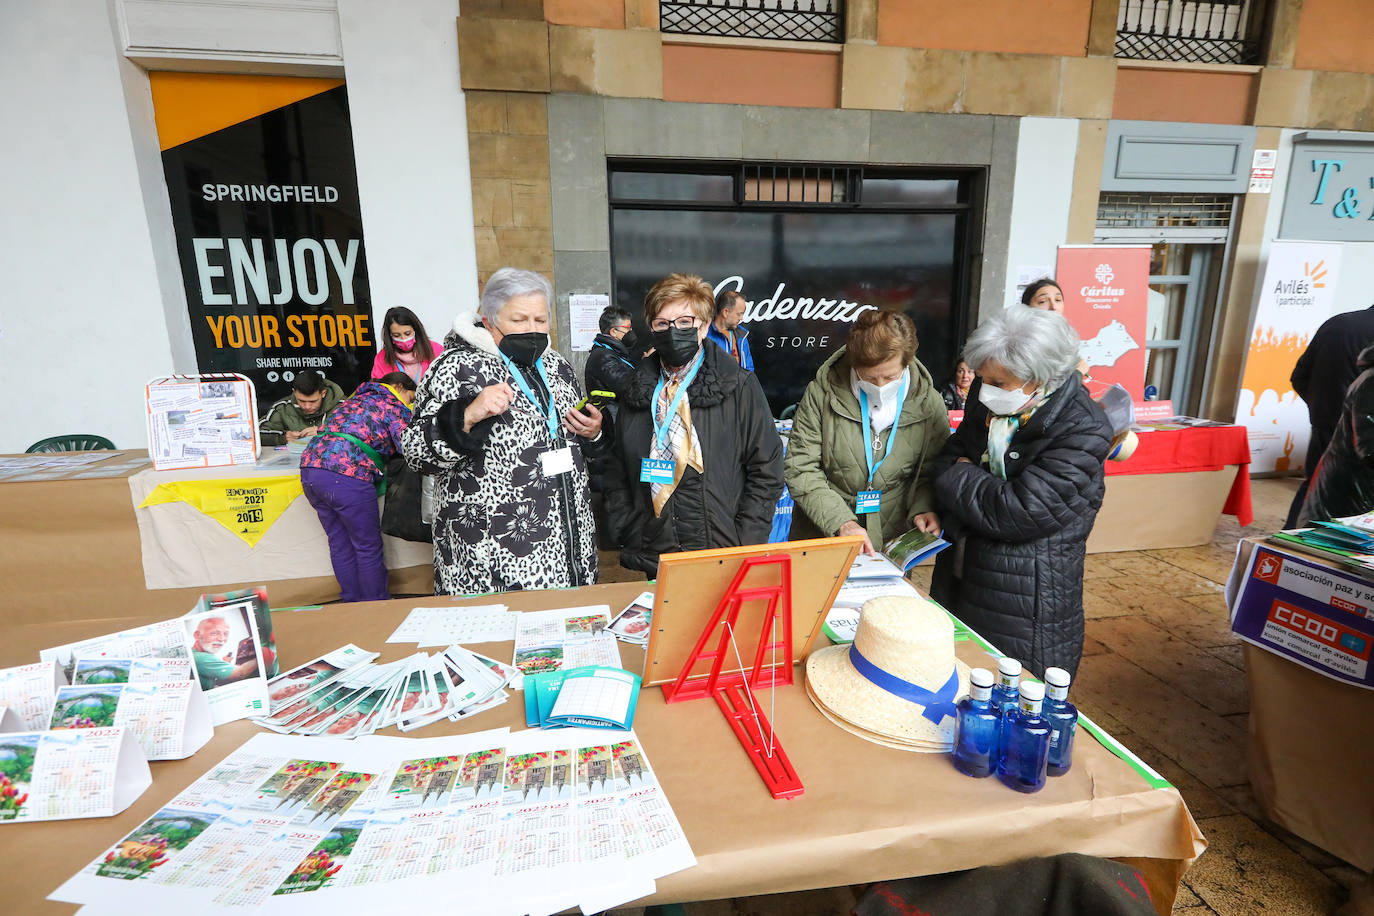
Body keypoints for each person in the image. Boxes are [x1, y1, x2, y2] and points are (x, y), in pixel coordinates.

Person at [930, 306, 1113, 679]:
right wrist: (964, 477)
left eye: (1002, 383)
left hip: (1025, 597)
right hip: (963, 573)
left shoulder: (1082, 428)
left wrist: (960, 478)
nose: (987, 390)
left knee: (1009, 693)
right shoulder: (988, 399)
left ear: (1042, 378)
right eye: (984, 378)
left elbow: (1019, 511)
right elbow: (949, 456)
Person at [403, 268, 604, 595]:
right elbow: (414, 452)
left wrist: (592, 432)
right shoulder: (456, 367)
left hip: (568, 548)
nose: (532, 329)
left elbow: (569, 441)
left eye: (540, 320)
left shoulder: (557, 366)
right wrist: (467, 415)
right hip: (491, 558)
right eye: (519, 319)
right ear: (489, 319)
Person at [603, 273, 783, 576]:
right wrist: (630, 528)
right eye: (663, 323)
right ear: (651, 327)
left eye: (685, 322)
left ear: (702, 326)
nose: (674, 331)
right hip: (657, 553)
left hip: (724, 551)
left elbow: (766, 468)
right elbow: (618, 470)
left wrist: (746, 541)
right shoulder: (636, 391)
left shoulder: (738, 386)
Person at [785, 309, 949, 555]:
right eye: (869, 378)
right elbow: (801, 467)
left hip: (891, 539)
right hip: (822, 534)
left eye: (890, 376)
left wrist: (924, 508)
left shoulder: (928, 403)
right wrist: (841, 521)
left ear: (907, 363)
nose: (880, 386)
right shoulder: (822, 394)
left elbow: (929, 472)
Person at [299, 372, 418, 602]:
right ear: (400, 387)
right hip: (347, 474)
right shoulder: (392, 404)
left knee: (339, 542)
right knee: (366, 546)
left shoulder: (353, 400)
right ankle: (377, 604)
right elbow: (411, 448)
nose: (410, 404)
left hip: (309, 469)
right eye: (411, 398)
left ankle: (351, 603)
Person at [1285, 305, 1374, 527]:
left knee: (1314, 486)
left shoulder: (1338, 323)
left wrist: (1321, 408)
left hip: (1325, 421)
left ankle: (1285, 541)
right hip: (1355, 435)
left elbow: (1299, 376)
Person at [584, 305, 641, 548]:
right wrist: (647, 367)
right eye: (627, 328)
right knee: (617, 487)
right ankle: (618, 541)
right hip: (611, 433)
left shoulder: (615, 354)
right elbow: (629, 386)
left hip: (619, 429)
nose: (631, 333)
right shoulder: (603, 357)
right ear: (614, 331)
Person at [258, 369, 345, 446]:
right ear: (294, 392)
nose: (307, 406)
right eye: (302, 401)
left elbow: (356, 434)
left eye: (313, 401)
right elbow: (255, 435)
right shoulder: (283, 407)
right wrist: (283, 438)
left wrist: (324, 433)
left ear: (323, 394)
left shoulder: (343, 406)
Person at [371, 306, 445, 383]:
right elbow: (378, 389)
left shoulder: (436, 350)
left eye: (407, 333)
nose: (403, 338)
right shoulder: (382, 358)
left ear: (416, 331)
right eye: (396, 335)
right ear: (389, 336)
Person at [189, 615, 259, 689]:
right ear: (197, 635)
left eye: (225, 634)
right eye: (215, 633)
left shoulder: (195, 654)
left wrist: (224, 665)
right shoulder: (201, 657)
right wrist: (261, 658)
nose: (222, 639)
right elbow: (241, 673)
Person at [706, 288, 754, 370]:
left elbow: (749, 369)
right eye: (739, 314)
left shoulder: (742, 335)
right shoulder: (705, 335)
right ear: (725, 312)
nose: (741, 318)